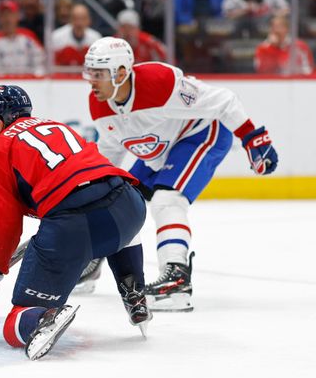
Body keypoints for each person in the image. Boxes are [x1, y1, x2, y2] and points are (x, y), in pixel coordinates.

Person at [83, 37, 278, 311]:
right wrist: (91, 184)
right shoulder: (99, 105)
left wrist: (253, 138)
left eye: (99, 74)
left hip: (200, 133)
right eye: (90, 72)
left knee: (167, 200)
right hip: (161, 151)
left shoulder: (159, 82)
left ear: (122, 73)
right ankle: (93, 261)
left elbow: (223, 100)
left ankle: (176, 280)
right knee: (119, 201)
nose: (92, 81)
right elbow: (111, 148)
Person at [0, 85, 150, 361]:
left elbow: (5, 224)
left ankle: (43, 317)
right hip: (129, 205)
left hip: (73, 228)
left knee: (14, 324)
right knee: (115, 211)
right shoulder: (56, 126)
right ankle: (134, 290)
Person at [0, 0, 44, 74]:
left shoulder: (28, 35)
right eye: (4, 14)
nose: (8, 18)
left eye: (11, 14)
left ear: (17, 16)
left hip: (28, 79)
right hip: (3, 80)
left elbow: (40, 59)